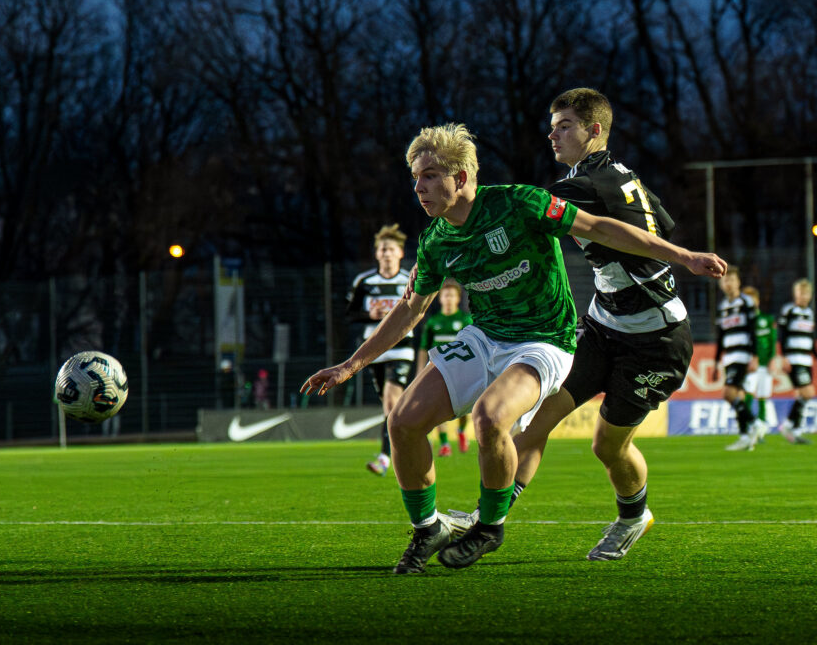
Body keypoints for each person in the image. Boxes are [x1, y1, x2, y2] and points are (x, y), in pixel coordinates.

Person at [301, 122, 726, 574]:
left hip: (545, 340)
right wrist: (350, 365)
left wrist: (684, 256)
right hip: (485, 336)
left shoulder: (519, 203)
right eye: (415, 178)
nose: (418, 187)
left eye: (429, 176)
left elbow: (600, 227)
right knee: (402, 422)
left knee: (491, 418)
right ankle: (428, 529)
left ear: (460, 177)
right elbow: (410, 310)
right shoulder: (435, 241)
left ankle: (489, 527)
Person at [507, 88, 708, 561]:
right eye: (552, 127)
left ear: (594, 130)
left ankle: (633, 517)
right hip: (603, 327)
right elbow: (662, 221)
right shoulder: (619, 174)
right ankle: (485, 521)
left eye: (564, 126)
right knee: (536, 421)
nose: (553, 135)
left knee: (607, 447)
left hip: (656, 341)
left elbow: (527, 210)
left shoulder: (586, 185)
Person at [346, 224, 414, 475]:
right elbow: (350, 314)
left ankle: (385, 458)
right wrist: (370, 315)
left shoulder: (408, 279)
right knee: (391, 406)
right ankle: (413, 435)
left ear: (400, 253)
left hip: (401, 348)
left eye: (391, 249)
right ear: (376, 254)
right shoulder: (364, 282)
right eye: (382, 249)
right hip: (373, 351)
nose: (386, 254)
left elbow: (420, 312)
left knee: (391, 401)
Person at [416, 280, 473, 457]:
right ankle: (445, 444)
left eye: (452, 296)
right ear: (440, 298)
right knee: (438, 405)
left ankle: (461, 431)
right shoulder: (433, 322)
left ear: (458, 299)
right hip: (438, 370)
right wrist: (420, 371)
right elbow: (423, 348)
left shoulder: (465, 320)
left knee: (465, 410)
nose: (448, 299)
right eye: (445, 295)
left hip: (461, 371)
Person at [713, 267, 762, 451]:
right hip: (729, 356)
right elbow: (720, 337)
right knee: (738, 395)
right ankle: (745, 436)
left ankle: (756, 423)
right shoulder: (723, 306)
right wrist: (716, 361)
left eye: (732, 280)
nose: (729, 283)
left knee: (728, 394)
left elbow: (753, 330)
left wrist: (754, 356)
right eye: (725, 280)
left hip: (742, 354)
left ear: (738, 282)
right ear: (721, 284)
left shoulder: (746, 302)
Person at [776, 278, 815, 444]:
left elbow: (810, 337)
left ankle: (796, 430)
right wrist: (784, 356)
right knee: (808, 392)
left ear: (810, 295)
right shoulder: (789, 310)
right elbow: (782, 334)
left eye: (806, 293)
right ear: (795, 294)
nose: (803, 296)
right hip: (794, 358)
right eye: (800, 293)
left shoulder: (810, 313)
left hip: (806, 359)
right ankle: (788, 425)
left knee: (802, 395)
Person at [741, 285, 776, 439]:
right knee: (748, 393)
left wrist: (772, 359)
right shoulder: (742, 321)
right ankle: (749, 427)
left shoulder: (767, 319)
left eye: (752, 299)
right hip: (750, 363)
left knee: (763, 396)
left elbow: (772, 340)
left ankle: (761, 429)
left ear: (757, 301)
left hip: (765, 363)